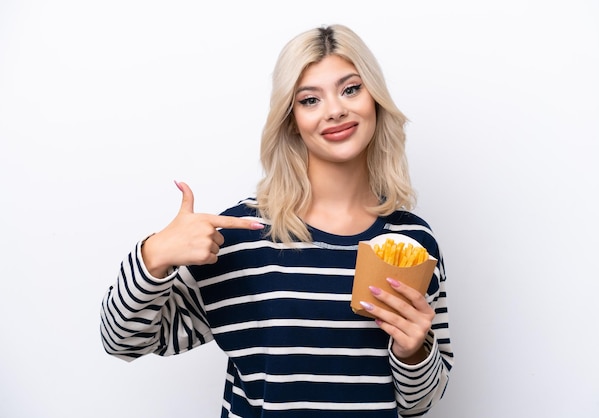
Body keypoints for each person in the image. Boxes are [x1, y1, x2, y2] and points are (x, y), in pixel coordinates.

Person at [100, 24, 453, 417]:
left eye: (350, 89)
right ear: (291, 120)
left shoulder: (412, 241)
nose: (335, 109)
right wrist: (154, 254)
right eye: (309, 99)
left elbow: (419, 404)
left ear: (375, 100)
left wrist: (414, 351)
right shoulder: (243, 237)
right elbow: (121, 341)